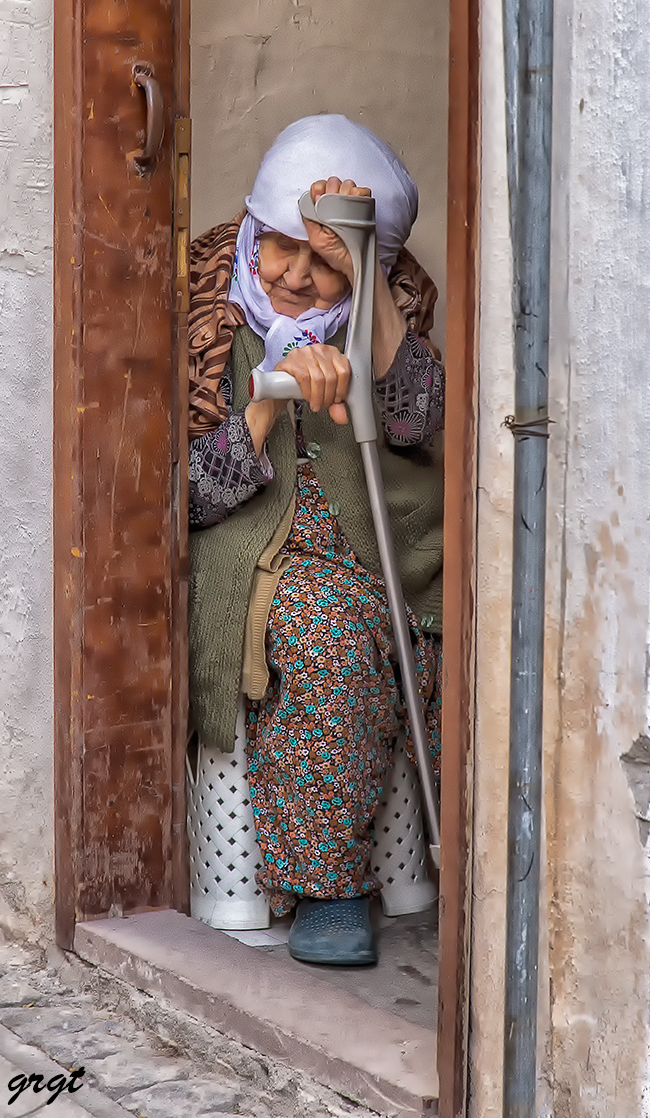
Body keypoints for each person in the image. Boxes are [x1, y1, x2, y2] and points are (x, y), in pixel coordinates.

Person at [188, 115, 444, 966]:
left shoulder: (393, 315)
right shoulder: (202, 315)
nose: (295, 275)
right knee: (330, 629)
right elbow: (174, 495)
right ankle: (332, 889)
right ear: (251, 235)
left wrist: (366, 285)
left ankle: (442, 861)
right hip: (260, 559)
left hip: (389, 556)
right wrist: (265, 403)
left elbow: (415, 420)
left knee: (453, 633)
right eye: (279, 247)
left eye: (325, 261)